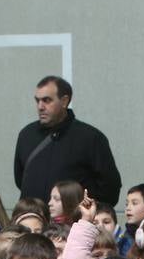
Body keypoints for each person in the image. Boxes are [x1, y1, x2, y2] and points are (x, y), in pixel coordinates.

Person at [13, 76, 121, 207]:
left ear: (64, 101)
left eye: (47, 100)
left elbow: (109, 189)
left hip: (74, 224)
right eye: (37, 101)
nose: (40, 106)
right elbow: (21, 180)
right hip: (33, 220)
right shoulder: (26, 135)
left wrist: (82, 213)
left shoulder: (90, 138)